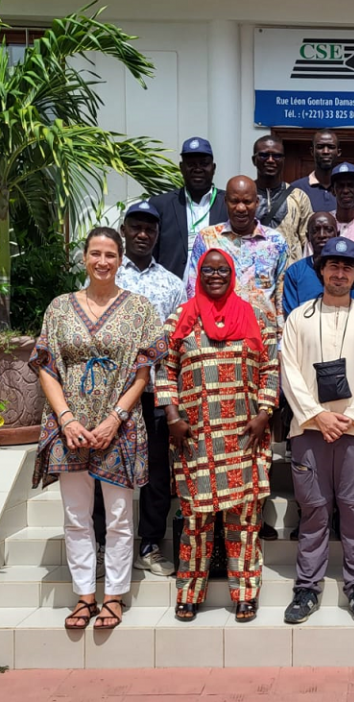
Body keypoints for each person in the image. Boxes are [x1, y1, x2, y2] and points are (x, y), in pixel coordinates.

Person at [29, 227, 166, 630]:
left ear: (120, 259)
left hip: (118, 427)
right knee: (76, 516)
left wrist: (114, 418)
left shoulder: (139, 308)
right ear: (84, 258)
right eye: (95, 254)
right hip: (68, 427)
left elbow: (143, 372)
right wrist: (66, 418)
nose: (102, 261)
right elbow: (46, 367)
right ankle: (84, 595)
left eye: (110, 254)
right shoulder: (59, 308)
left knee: (121, 517)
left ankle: (115, 597)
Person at [156, 249, 279, 623]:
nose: (214, 276)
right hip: (196, 439)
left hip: (245, 437)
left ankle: (245, 594)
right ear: (198, 273)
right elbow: (164, 368)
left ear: (232, 273)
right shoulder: (181, 317)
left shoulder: (257, 315)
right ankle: (189, 593)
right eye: (207, 270)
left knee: (244, 522)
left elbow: (271, 367)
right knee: (195, 523)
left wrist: (264, 412)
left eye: (221, 270)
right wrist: (172, 415)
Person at [281, 237, 354, 624]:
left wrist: (351, 417)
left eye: (347, 268)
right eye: (332, 267)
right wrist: (316, 415)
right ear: (321, 271)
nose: (339, 274)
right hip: (309, 429)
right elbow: (288, 371)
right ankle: (307, 587)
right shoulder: (298, 318)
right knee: (313, 511)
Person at [116, 202, 186, 577]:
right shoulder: (109, 276)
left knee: (158, 472)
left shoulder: (172, 284)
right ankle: (105, 543)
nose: (143, 234)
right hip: (112, 393)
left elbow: (176, 343)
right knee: (109, 467)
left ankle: (149, 544)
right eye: (136, 227)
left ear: (157, 235)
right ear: (124, 230)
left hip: (157, 392)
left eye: (150, 229)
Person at [187, 175, 288, 336]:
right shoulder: (207, 238)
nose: (241, 208)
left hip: (263, 338)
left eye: (247, 202)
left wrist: (281, 341)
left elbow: (281, 295)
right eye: (234, 201)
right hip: (216, 336)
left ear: (257, 202)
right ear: (225, 201)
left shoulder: (276, 242)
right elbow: (194, 288)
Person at [150, 137, 228, 281]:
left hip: (217, 292)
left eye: (204, 164)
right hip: (173, 294)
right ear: (181, 167)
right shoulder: (160, 205)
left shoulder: (229, 203)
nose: (197, 169)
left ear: (214, 168)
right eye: (191, 164)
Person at [283, 212, 354, 319]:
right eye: (315, 230)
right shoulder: (295, 272)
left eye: (328, 229)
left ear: (337, 234)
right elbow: (292, 316)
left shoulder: (353, 273)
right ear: (308, 237)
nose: (322, 235)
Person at [253, 134, 313, 266]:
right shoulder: (244, 196)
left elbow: (308, 244)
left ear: (283, 160)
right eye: (264, 155)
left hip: (288, 279)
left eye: (276, 156)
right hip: (251, 277)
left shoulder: (298, 197)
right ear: (254, 160)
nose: (270, 160)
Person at [291, 129, 354, 211]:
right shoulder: (296, 189)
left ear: (338, 152)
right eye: (320, 147)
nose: (325, 151)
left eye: (331, 147)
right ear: (312, 151)